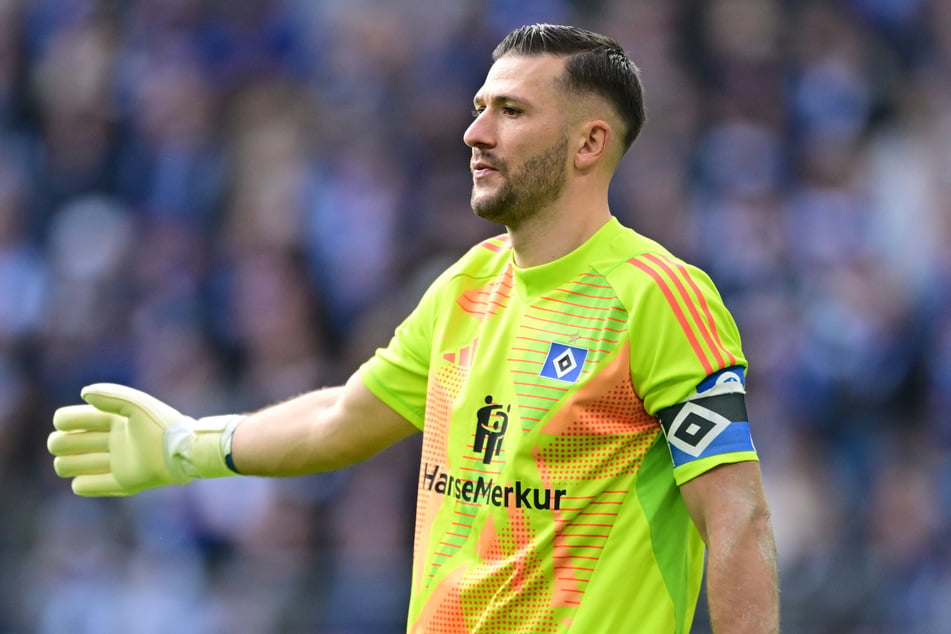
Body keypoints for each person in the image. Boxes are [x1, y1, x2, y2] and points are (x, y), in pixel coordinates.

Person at [48, 23, 780, 634]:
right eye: (479, 106)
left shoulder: (658, 299)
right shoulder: (466, 285)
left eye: (511, 112)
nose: (475, 132)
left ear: (589, 144)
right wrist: (186, 446)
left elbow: (735, 520)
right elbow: (341, 418)